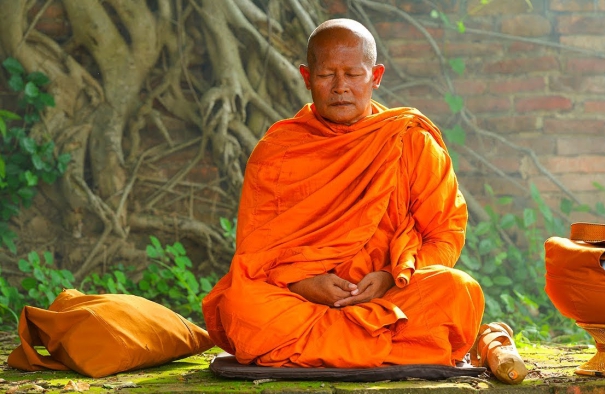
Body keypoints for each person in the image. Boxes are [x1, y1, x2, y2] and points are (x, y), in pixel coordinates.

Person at [202, 18, 485, 368]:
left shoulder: (410, 141)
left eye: (353, 74)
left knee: (458, 290)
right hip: (304, 301)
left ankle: (323, 350)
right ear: (307, 78)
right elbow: (255, 254)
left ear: (376, 77)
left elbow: (444, 234)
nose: (340, 87)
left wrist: (389, 279)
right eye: (326, 75)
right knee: (241, 306)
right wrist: (303, 283)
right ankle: (388, 350)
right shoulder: (279, 151)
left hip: (389, 295)